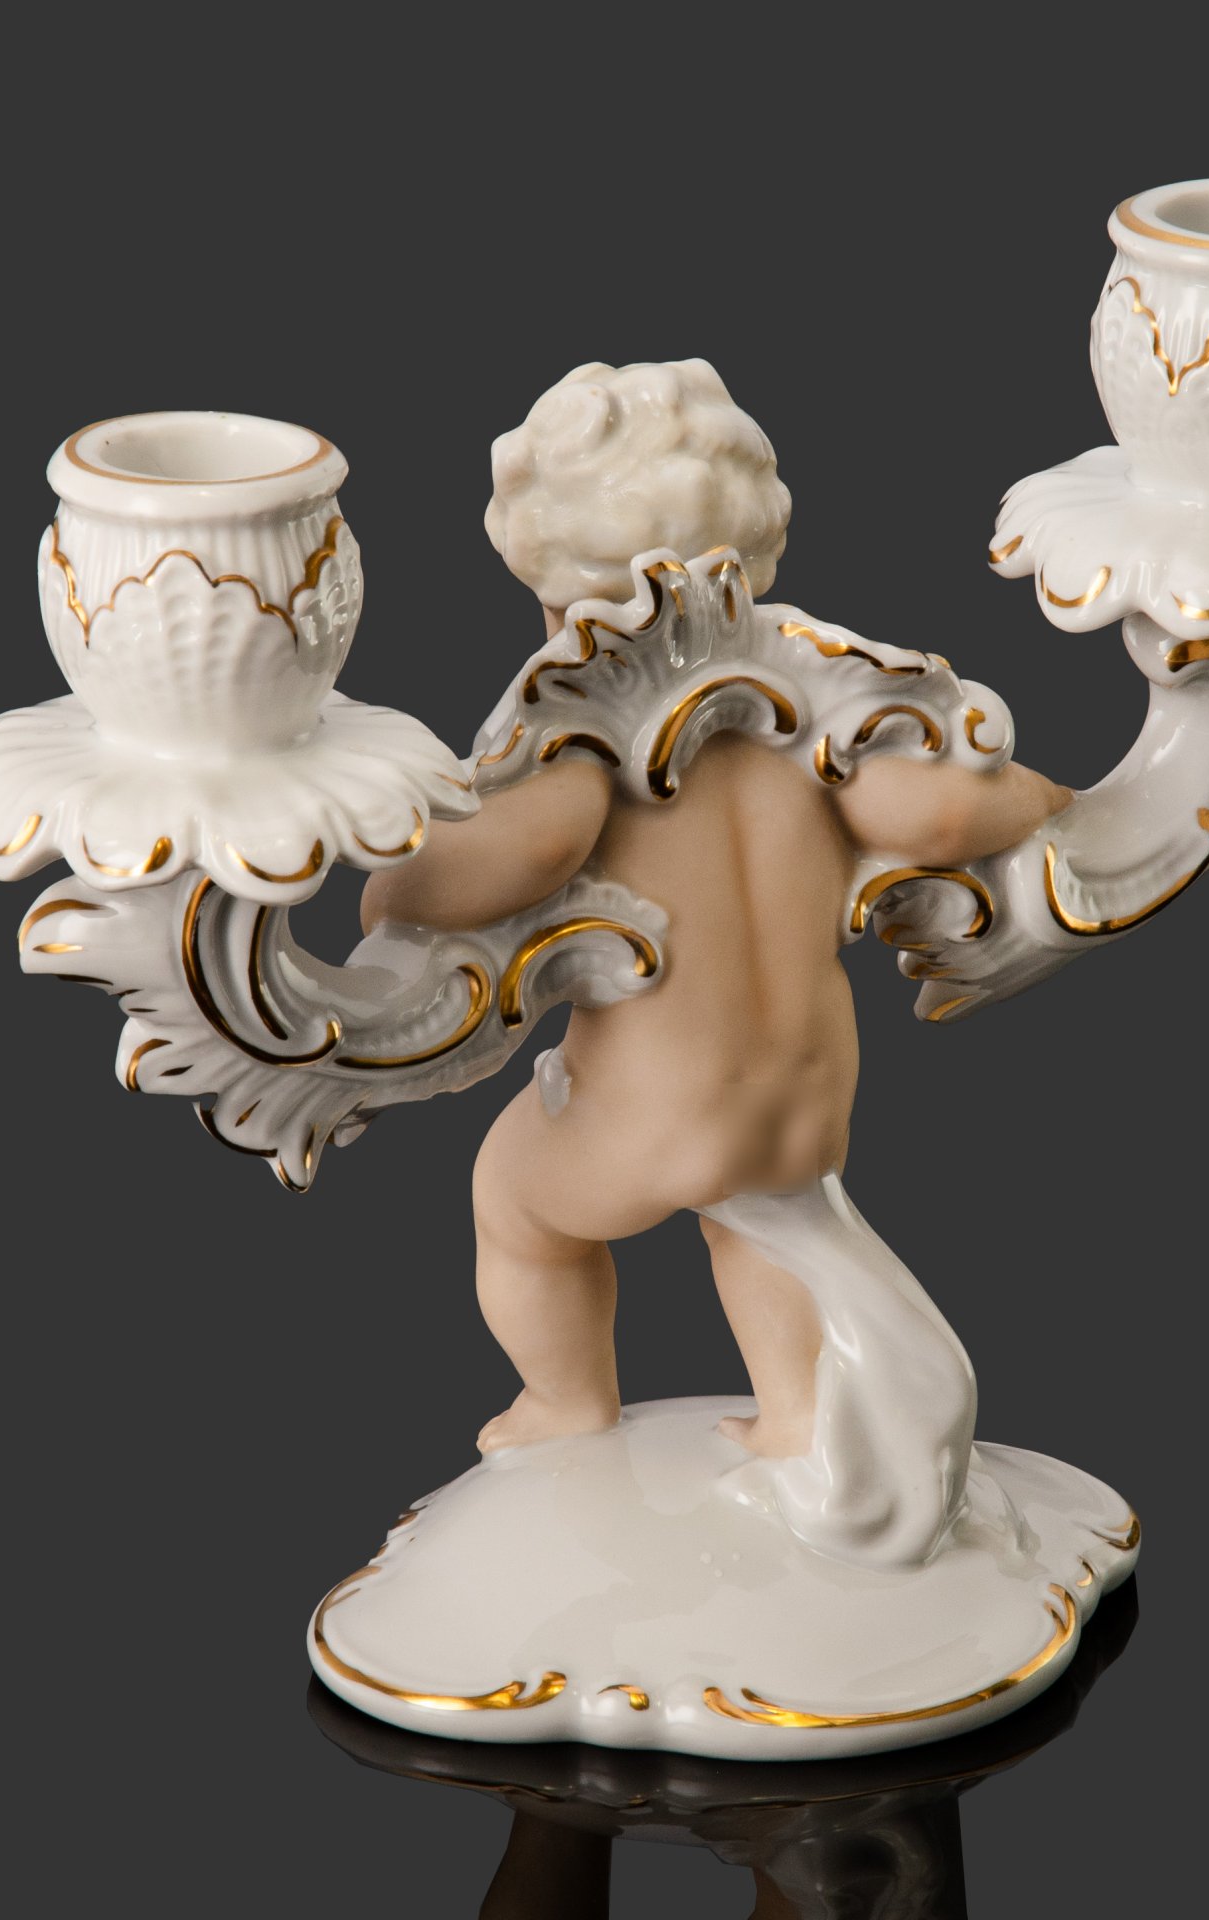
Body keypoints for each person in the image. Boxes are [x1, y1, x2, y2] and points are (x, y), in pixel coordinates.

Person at [360, 361, 1072, 1459]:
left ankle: (566, 1404)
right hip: (806, 1096)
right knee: (757, 1224)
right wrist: (1057, 799)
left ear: (550, 575)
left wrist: (391, 882)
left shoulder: (585, 721)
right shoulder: (809, 698)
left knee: (516, 1205)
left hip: (651, 1113)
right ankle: (795, 1420)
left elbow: (529, 847)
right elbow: (936, 816)